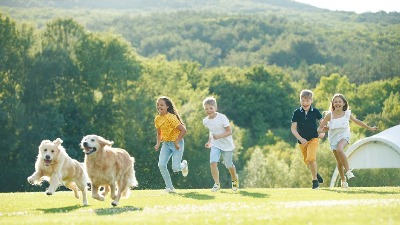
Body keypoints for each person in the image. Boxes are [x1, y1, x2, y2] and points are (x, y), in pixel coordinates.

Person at [317, 93, 377, 188]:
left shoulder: (347, 114)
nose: (337, 103)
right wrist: (325, 129)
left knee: (340, 149)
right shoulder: (329, 115)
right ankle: (343, 181)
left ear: (344, 103)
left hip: (344, 136)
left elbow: (357, 121)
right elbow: (319, 129)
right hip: (333, 139)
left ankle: (348, 171)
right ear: (333, 104)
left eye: (339, 101)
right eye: (335, 102)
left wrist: (369, 128)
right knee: (339, 162)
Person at [202, 96, 239, 192]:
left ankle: (234, 179)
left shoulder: (222, 118)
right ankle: (217, 184)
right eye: (206, 108)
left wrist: (219, 136)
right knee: (213, 162)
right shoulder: (205, 121)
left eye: (211, 108)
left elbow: (229, 131)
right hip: (215, 144)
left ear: (215, 108)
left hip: (227, 145)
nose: (209, 110)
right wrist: (210, 141)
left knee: (228, 165)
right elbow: (211, 131)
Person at [291, 89, 325, 189]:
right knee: (307, 162)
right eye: (303, 100)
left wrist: (322, 132)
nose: (305, 103)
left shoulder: (315, 112)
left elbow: (322, 123)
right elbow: (293, 129)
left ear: (311, 101)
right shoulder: (296, 113)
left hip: (313, 138)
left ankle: (315, 181)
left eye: (307, 100)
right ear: (300, 100)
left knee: (311, 158)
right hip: (302, 142)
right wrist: (301, 139)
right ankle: (316, 174)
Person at [154, 96, 189, 193]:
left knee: (176, 168)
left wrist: (177, 142)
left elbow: (183, 130)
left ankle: (184, 165)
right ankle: (170, 187)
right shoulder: (157, 119)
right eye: (158, 105)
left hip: (177, 143)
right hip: (166, 144)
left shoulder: (171, 117)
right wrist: (157, 144)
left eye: (162, 105)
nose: (159, 106)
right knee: (161, 165)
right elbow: (159, 132)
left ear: (167, 106)